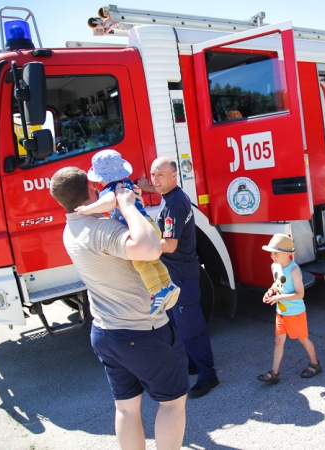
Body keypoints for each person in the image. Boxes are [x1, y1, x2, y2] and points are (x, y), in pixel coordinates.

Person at [50, 167, 188, 449]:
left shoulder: (71, 229)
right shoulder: (102, 230)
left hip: (105, 332)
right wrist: (127, 206)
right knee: (172, 404)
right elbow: (150, 248)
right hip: (142, 332)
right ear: (91, 188)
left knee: (126, 408)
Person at [139, 157, 220, 398]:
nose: (156, 180)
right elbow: (161, 188)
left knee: (191, 329)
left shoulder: (174, 205)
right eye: (153, 175)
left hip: (181, 277)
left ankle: (209, 376)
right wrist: (147, 187)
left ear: (174, 176)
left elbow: (170, 245)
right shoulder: (174, 195)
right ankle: (193, 363)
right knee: (177, 325)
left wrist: (143, 244)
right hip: (174, 275)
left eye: (160, 176)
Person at [76, 149, 180, 316]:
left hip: (137, 229)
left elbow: (108, 203)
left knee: (141, 263)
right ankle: (168, 285)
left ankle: (157, 292)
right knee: (154, 260)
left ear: (99, 179)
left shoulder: (111, 189)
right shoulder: (127, 183)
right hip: (150, 224)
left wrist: (88, 209)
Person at [257, 234, 321, 383]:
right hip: (281, 312)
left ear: (287, 254)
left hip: (295, 313)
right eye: (271, 253)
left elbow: (300, 293)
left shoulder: (294, 270)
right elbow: (277, 284)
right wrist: (271, 291)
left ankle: (315, 364)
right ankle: (274, 373)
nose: (272, 256)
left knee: (303, 340)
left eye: (275, 253)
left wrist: (279, 298)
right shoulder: (275, 266)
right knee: (279, 340)